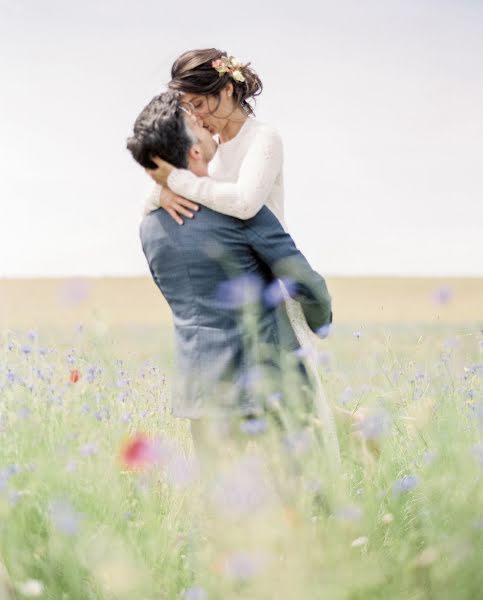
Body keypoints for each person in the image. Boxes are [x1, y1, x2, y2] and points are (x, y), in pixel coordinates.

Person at [142, 48, 341, 466]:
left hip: (271, 283)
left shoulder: (262, 138)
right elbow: (195, 188)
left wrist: (173, 180)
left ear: (228, 89)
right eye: (189, 109)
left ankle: (352, 430)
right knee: (295, 427)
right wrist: (159, 193)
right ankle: (353, 429)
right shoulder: (208, 146)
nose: (197, 117)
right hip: (229, 286)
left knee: (302, 427)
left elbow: (246, 204)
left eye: (200, 104)